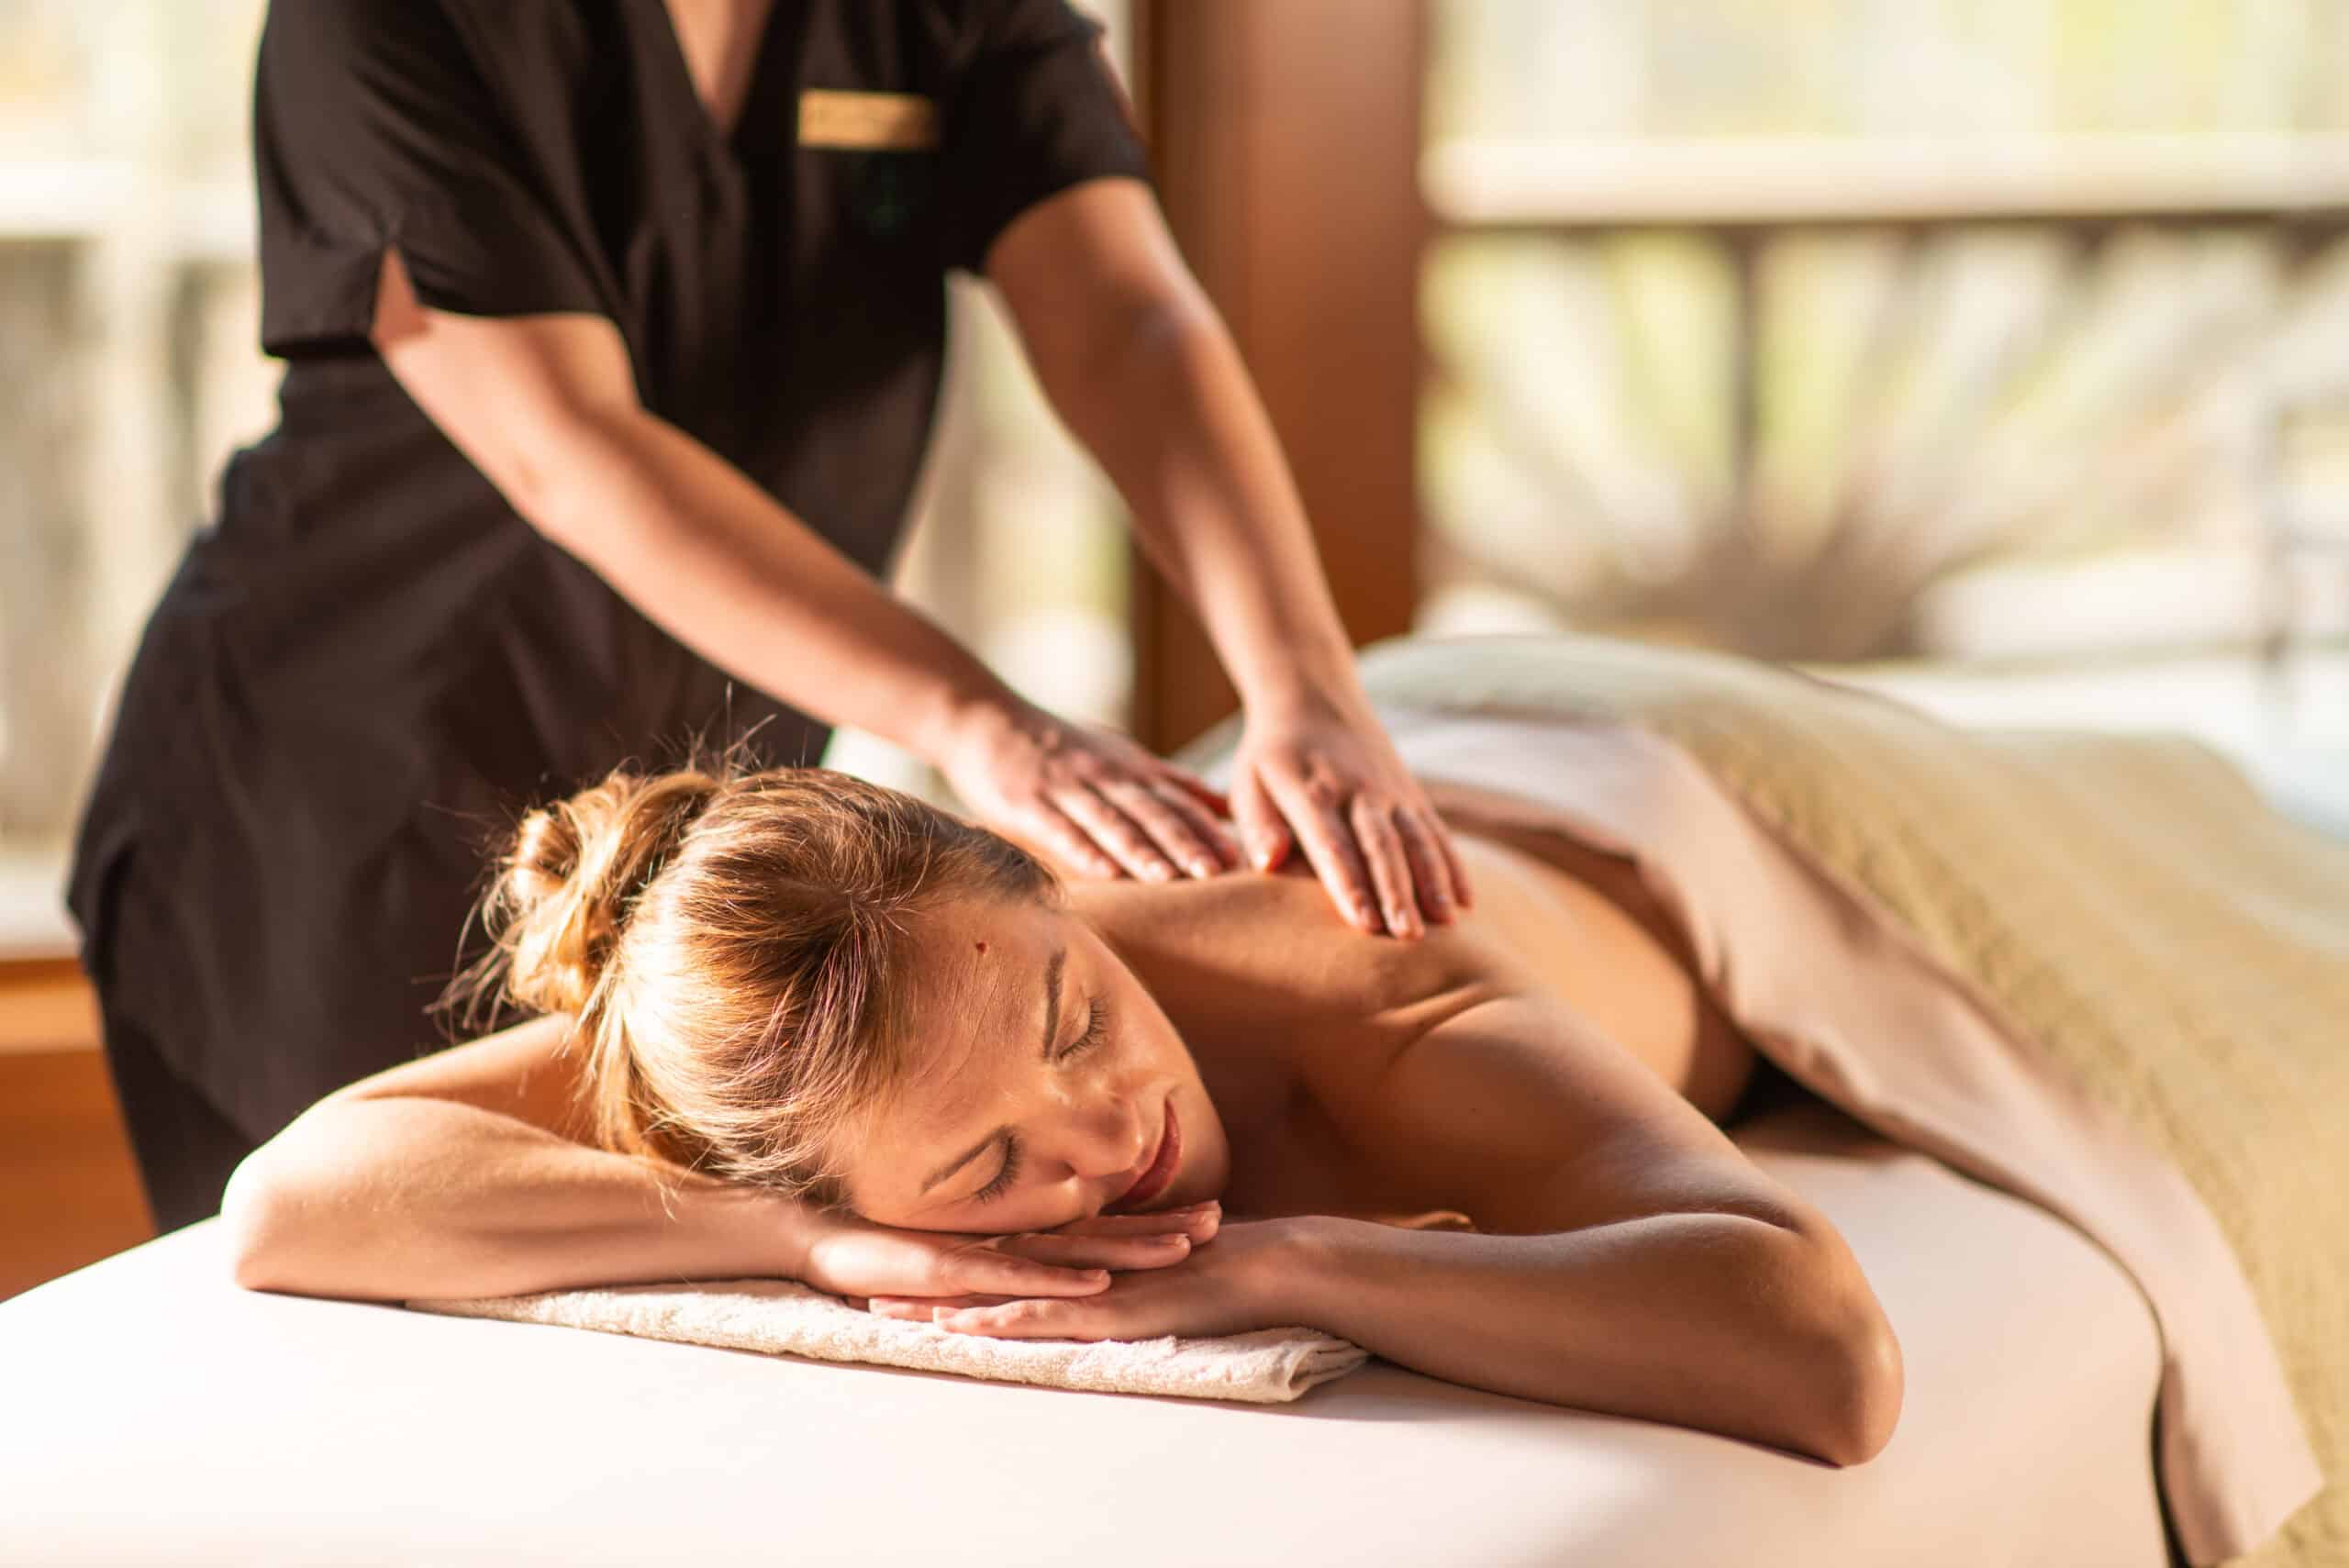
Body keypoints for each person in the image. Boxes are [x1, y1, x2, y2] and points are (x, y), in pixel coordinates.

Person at [65, 0, 1472, 1234]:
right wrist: (982, 725)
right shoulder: (400, 16)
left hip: (694, 881)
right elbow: (574, 447)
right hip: (322, 820)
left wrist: (1308, 687)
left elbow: (1119, 313)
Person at [220, 751, 1902, 1467]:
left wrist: (1295, 1265)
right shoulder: (809, 1020)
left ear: (1051, 888)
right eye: (987, 1165)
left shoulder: (1373, 1005)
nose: (1109, 1138)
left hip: (1671, 804)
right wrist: (802, 1239)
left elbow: (1825, 1355)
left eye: (1075, 1014)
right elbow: (294, 1197)